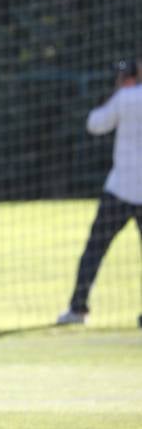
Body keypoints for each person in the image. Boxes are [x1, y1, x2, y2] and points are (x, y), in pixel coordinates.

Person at [57, 57, 142, 327]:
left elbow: (95, 123)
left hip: (120, 189)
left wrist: (119, 90)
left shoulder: (126, 97)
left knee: (94, 251)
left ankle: (78, 308)